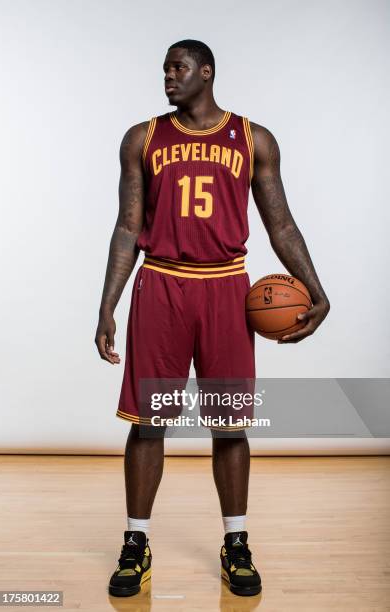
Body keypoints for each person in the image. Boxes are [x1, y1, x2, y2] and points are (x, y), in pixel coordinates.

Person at [95, 39, 330, 598]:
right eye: (165, 70)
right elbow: (128, 225)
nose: (168, 78)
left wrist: (317, 290)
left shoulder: (253, 138)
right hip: (163, 284)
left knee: (230, 423)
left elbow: (282, 225)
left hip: (227, 287)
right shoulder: (143, 138)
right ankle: (136, 542)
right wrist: (108, 301)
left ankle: (236, 541)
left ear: (207, 71)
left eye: (178, 68)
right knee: (148, 421)